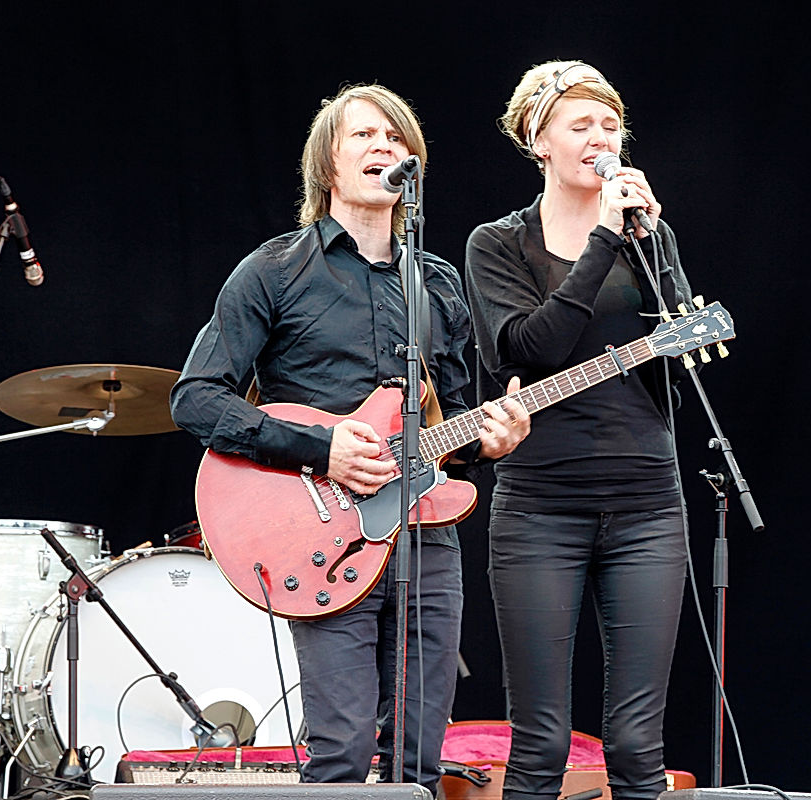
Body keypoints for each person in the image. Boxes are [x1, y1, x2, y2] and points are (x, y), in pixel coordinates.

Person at [170, 83, 530, 796]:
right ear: (327, 167)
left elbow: (447, 426)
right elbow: (196, 398)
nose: (385, 148)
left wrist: (488, 439)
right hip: (321, 535)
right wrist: (320, 450)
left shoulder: (438, 282)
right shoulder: (274, 270)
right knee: (339, 750)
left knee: (420, 758)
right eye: (364, 137)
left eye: (397, 139)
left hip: (426, 538)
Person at [464, 61, 694, 800]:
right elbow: (531, 349)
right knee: (541, 743)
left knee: (636, 743)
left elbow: (682, 354)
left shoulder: (646, 233)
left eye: (609, 123)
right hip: (540, 507)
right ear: (538, 140)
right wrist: (601, 241)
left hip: (647, 502)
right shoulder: (497, 244)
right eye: (580, 124)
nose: (601, 138)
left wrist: (648, 243)